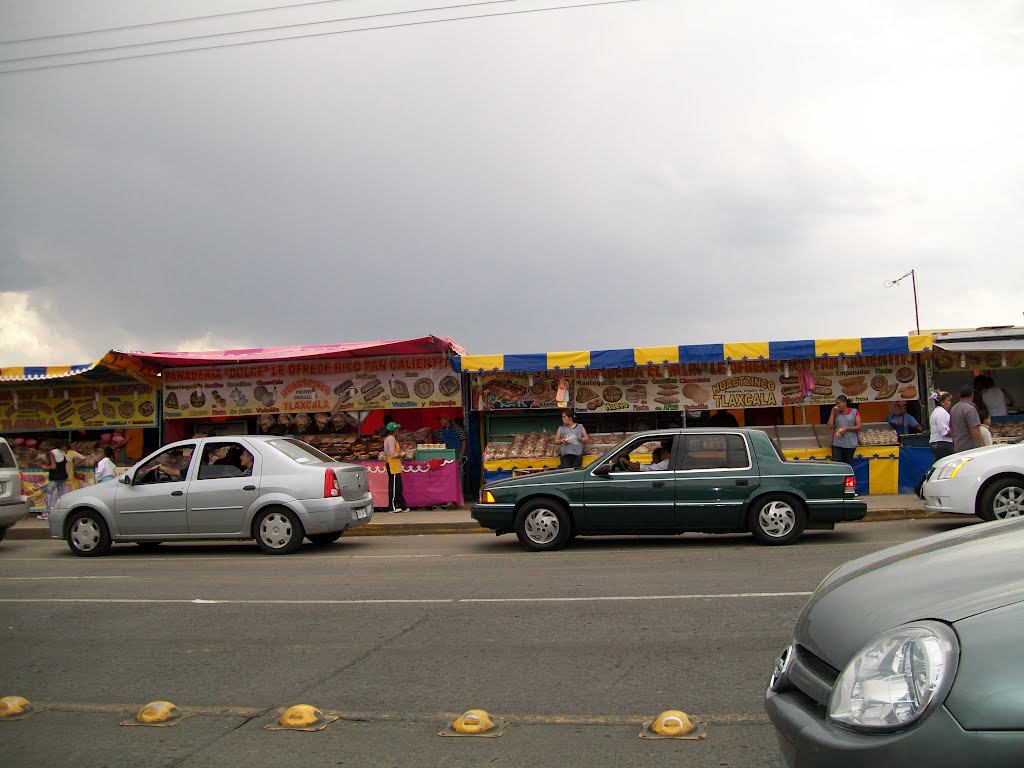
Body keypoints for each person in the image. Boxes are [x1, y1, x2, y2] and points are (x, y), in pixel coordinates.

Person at [826, 395, 861, 465]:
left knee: (848, 465)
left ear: (845, 403)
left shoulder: (854, 412)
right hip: (837, 444)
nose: (837, 405)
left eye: (839, 403)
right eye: (836, 403)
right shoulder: (836, 413)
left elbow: (859, 426)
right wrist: (832, 413)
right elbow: (829, 426)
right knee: (837, 465)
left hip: (850, 444)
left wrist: (847, 429)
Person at [40, 440, 70, 519]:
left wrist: (45, 467)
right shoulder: (63, 453)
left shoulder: (52, 453)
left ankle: (47, 512)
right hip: (63, 476)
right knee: (62, 495)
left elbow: (53, 466)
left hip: (54, 477)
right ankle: (62, 511)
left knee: (49, 494)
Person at [950, 384, 983, 452]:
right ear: (972, 394)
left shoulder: (954, 408)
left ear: (960, 395)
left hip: (958, 446)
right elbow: (974, 429)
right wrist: (981, 445)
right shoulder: (970, 409)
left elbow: (951, 428)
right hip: (969, 447)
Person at [383, 421, 407, 513]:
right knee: (394, 487)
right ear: (394, 430)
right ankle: (392, 507)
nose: (398, 431)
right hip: (392, 465)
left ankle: (402, 505)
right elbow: (392, 454)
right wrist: (402, 455)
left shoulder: (388, 438)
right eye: (397, 429)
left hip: (394, 465)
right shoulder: (391, 439)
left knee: (398, 486)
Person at [928, 391, 954, 461]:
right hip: (942, 443)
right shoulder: (941, 413)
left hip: (938, 443)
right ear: (942, 402)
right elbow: (944, 432)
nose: (950, 402)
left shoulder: (937, 412)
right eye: (948, 400)